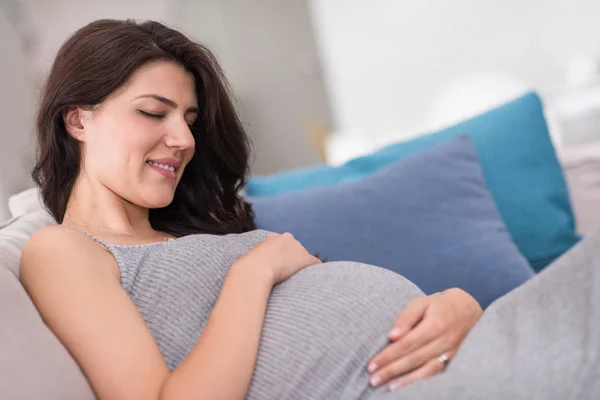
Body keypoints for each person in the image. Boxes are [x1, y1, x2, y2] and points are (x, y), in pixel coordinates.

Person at [18, 19, 599, 400]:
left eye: (190, 121)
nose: (183, 139)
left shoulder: (196, 232)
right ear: (78, 119)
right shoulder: (62, 250)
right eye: (154, 112)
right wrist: (253, 272)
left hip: (474, 351)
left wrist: (460, 306)